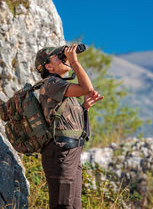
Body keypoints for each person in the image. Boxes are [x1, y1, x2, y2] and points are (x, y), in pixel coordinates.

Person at [35, 44, 103, 209]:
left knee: (74, 206)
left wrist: (84, 108)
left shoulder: (61, 87)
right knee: (63, 205)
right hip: (61, 153)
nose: (63, 57)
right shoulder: (51, 83)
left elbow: (66, 122)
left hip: (70, 153)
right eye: (58, 56)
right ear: (49, 66)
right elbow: (87, 88)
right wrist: (74, 62)